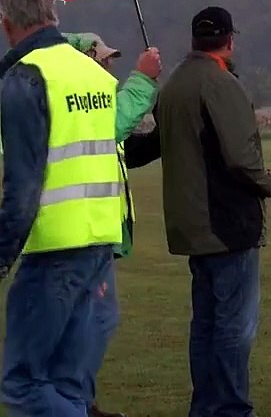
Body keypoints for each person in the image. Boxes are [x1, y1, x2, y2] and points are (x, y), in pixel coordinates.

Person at [121, 6, 271, 416]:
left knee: (206, 325)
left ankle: (206, 407)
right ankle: (231, 409)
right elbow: (241, 159)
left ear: (194, 39)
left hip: (191, 226)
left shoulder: (174, 85)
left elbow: (149, 147)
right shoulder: (221, 84)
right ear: (230, 40)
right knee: (234, 327)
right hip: (226, 224)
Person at [0, 0, 126, 414]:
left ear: (6, 22)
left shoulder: (26, 77)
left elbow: (23, 187)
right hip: (101, 242)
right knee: (69, 384)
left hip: (53, 249)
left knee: (22, 384)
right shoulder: (93, 74)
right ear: (50, 13)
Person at [63, 32, 163, 417]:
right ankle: (74, 404)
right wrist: (143, 80)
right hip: (83, 233)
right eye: (103, 59)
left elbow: (129, 150)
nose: (109, 66)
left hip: (93, 233)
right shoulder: (84, 109)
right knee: (94, 320)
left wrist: (164, 128)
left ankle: (81, 402)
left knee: (90, 321)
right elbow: (113, 126)